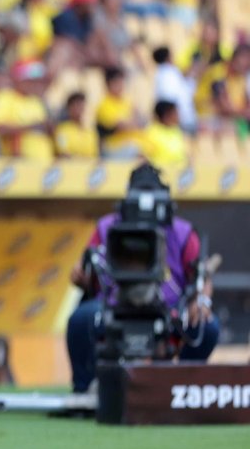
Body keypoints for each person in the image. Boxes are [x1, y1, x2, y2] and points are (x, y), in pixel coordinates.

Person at [66, 164, 218, 393]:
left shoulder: (182, 232)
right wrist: (80, 275)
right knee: (81, 319)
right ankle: (84, 390)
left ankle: (184, 388)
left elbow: (202, 276)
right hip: (115, 305)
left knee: (207, 326)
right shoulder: (107, 226)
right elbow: (84, 270)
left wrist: (202, 300)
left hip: (169, 309)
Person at [55, 91, 100, 158]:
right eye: (76, 106)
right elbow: (62, 152)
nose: (79, 109)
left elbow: (94, 154)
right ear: (69, 108)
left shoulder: (90, 131)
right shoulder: (61, 130)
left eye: (81, 106)